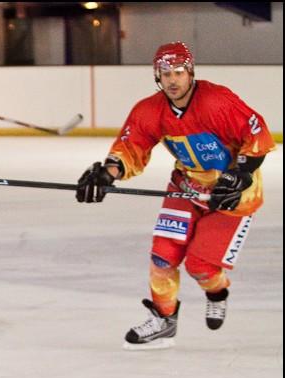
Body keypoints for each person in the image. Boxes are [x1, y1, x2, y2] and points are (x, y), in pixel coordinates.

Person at [76, 42, 275, 350]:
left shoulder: (217, 101)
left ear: (190, 72)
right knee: (162, 256)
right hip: (186, 187)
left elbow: (257, 133)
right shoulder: (149, 110)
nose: (173, 80)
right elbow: (131, 147)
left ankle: (218, 293)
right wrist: (106, 174)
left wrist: (241, 173)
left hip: (233, 196)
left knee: (200, 267)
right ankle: (164, 319)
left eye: (179, 72)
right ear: (158, 76)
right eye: (166, 73)